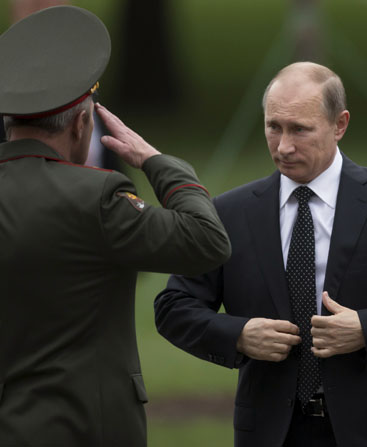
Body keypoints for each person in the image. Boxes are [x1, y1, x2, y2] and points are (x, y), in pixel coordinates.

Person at [154, 61, 367, 447]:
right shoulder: (231, 213)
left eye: (300, 129)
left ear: (339, 125)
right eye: (274, 127)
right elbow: (173, 307)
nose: (284, 146)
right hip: (272, 432)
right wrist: (239, 335)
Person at [0, 6, 231, 446]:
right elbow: (207, 241)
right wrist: (156, 163)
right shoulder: (97, 198)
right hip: (86, 428)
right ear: (82, 124)